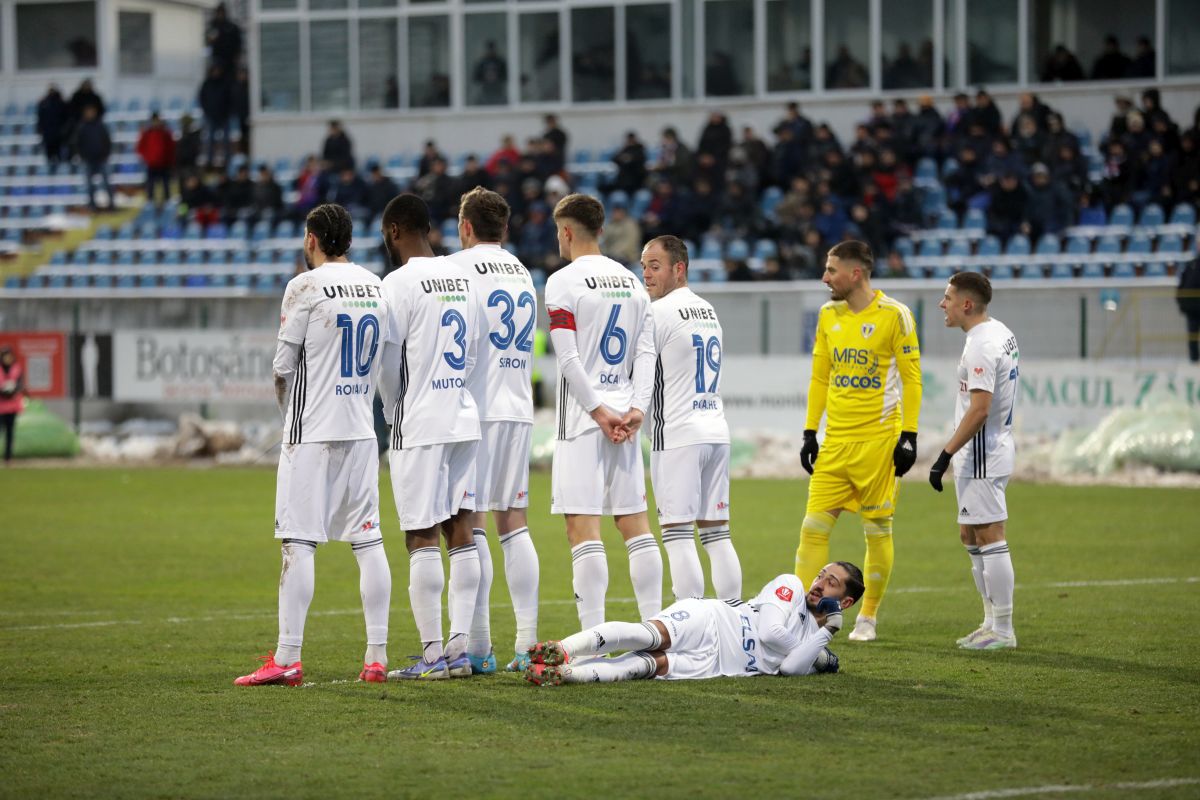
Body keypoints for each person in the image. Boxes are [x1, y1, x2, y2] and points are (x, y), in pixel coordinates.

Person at [234, 204, 392, 686]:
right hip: (362, 430)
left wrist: (290, 423)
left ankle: (287, 657)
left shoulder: (305, 285)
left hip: (313, 431)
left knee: (298, 543)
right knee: (367, 540)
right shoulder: (376, 286)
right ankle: (377, 657)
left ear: (311, 240)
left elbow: (282, 368)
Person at [378, 194, 484, 680]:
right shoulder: (464, 277)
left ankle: (433, 655)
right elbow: (479, 348)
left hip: (419, 421)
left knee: (419, 534)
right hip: (463, 416)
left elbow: (387, 361)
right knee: (461, 529)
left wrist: (390, 409)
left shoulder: (396, 283)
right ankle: (460, 649)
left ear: (396, 231)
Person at [544, 193, 662, 630]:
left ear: (568, 232)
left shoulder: (563, 281)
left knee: (582, 527)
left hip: (583, 420)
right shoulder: (632, 281)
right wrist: (636, 410)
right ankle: (656, 630)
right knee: (634, 523)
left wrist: (596, 412)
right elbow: (647, 352)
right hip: (626, 420)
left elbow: (569, 359)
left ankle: (593, 635)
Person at [795, 241, 921, 644]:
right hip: (835, 443)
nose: (825, 277)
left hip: (878, 442)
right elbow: (820, 376)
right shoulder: (828, 314)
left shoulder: (895, 315)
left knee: (877, 530)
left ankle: (867, 617)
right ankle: (800, 615)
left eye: (831, 270)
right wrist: (810, 431)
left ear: (856, 274)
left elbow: (912, 378)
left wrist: (909, 436)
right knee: (812, 529)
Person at [445, 187, 542, 674]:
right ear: (502, 228)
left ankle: (479, 646)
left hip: (474, 411)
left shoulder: (457, 270)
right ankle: (526, 642)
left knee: (470, 523)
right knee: (514, 522)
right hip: (517, 407)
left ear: (465, 227)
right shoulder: (522, 272)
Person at [523, 562, 861, 685]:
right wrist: (812, 654)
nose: (818, 583)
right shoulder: (791, 587)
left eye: (831, 582)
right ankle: (561, 649)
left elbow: (789, 670)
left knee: (641, 668)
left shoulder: (815, 642)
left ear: (844, 602)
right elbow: (770, 633)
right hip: (714, 621)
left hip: (718, 663)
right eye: (821, 574)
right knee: (646, 636)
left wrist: (826, 634)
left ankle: (562, 674)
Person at [640, 236, 742, 602]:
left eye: (655, 266)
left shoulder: (657, 313)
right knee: (717, 535)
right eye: (644, 266)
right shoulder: (707, 309)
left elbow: (641, 375)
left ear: (678, 269)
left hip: (679, 434)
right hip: (715, 429)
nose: (646, 274)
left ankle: (690, 623)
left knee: (678, 535)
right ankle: (735, 620)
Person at [928, 272, 1019, 650]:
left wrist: (944, 454)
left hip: (981, 452)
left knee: (989, 535)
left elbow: (980, 409)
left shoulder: (982, 344)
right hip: (986, 449)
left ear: (967, 304)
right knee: (970, 535)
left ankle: (1003, 629)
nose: (942, 304)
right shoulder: (999, 331)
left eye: (947, 297)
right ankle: (989, 621)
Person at [74, 105, 113, 211]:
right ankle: (92, 206)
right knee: (89, 185)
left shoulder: (100, 126)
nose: (90, 114)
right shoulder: (82, 127)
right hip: (88, 160)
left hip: (101, 159)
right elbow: (78, 144)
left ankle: (111, 205)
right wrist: (83, 156)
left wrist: (105, 154)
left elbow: (107, 141)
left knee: (106, 183)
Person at [136, 113, 176, 209]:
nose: (156, 122)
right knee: (150, 185)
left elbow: (171, 147)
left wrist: (171, 161)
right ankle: (150, 202)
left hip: (164, 163)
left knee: (166, 184)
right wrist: (147, 158)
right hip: (151, 164)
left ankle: (167, 202)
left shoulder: (165, 133)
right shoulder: (147, 133)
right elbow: (140, 147)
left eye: (158, 120)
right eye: (154, 120)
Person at [198, 65, 231, 167]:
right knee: (210, 139)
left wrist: (227, 112)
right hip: (211, 116)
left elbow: (230, 99)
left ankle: (227, 159)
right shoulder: (207, 84)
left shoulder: (225, 83)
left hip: (224, 116)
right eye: (214, 70)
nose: (216, 72)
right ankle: (209, 160)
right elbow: (202, 98)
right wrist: (207, 111)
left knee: (225, 139)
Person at [0, 346, 26, 464]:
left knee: (10, 432)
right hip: (1, 406)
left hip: (12, 405)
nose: (7, 358)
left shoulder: (17, 368)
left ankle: (8, 457)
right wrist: (3, 391)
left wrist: (13, 390)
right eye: (5, 356)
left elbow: (20, 385)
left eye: (9, 356)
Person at [36, 85, 68, 171]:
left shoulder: (61, 104)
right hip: (49, 135)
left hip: (59, 135)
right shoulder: (44, 104)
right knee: (49, 157)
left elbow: (66, 118)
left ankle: (59, 171)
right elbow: (40, 119)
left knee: (60, 156)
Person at [1177, 254, 1200, 363]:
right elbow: (1181, 285)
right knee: (1192, 335)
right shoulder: (1191, 265)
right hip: (1192, 309)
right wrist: (1182, 303)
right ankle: (1194, 359)